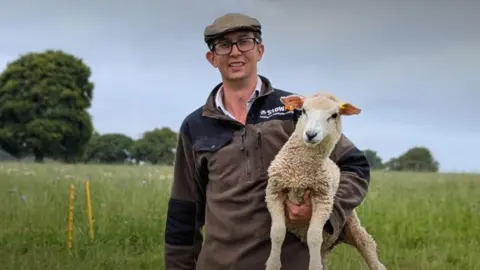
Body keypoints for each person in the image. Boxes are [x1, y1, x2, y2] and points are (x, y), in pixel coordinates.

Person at [164, 13, 371, 270]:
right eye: (223, 45)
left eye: (244, 41)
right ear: (212, 58)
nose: (235, 52)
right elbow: (184, 211)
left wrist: (326, 212)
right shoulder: (196, 126)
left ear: (259, 50)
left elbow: (356, 166)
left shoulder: (298, 111)